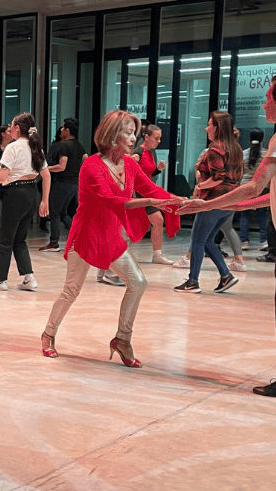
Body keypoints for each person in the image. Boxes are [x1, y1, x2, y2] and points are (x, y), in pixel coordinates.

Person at [182, 70, 276, 399]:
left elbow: (255, 185)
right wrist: (234, 206)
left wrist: (205, 205)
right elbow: (274, 194)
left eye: (268, 98)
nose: (265, 104)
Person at [42, 109, 184, 364]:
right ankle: (48, 334)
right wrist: (152, 202)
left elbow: (151, 189)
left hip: (111, 238)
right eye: (128, 133)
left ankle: (122, 340)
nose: (133, 138)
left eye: (134, 133)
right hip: (85, 237)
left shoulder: (129, 164)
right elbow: (111, 200)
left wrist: (181, 202)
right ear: (111, 135)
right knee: (71, 291)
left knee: (138, 283)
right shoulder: (91, 165)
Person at [174, 111, 243, 293]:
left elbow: (218, 177)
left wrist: (200, 186)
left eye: (209, 124)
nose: (206, 128)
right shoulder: (235, 148)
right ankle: (226, 276)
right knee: (207, 240)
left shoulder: (215, 150)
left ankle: (192, 282)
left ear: (217, 128)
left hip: (212, 202)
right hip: (229, 202)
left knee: (197, 240)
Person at [0, 112, 50, 291]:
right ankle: (29, 278)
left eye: (11, 126)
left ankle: (0, 281)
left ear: (17, 128)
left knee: (5, 239)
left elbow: (3, 175)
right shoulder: (36, 147)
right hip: (31, 193)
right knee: (20, 238)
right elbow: (46, 175)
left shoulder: (13, 147)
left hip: (15, 194)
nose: (10, 129)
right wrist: (44, 200)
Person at [134, 123, 178, 265]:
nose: (158, 141)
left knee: (156, 221)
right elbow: (132, 174)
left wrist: (157, 169)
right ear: (146, 137)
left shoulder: (150, 153)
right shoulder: (138, 153)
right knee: (154, 221)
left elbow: (147, 174)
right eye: (156, 138)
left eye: (159, 138)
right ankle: (156, 254)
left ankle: (157, 254)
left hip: (147, 191)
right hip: (139, 192)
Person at [41, 118, 86, 253]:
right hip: (74, 184)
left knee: (54, 213)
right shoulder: (79, 146)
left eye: (63, 128)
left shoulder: (64, 146)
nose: (61, 130)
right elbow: (86, 161)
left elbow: (61, 166)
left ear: (67, 130)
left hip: (62, 183)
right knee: (63, 213)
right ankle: (79, 237)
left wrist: (45, 169)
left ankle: (54, 242)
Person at [238, 127, 271, 252]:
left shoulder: (243, 154)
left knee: (244, 213)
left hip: (245, 186)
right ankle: (263, 241)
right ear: (262, 139)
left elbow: (240, 172)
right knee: (262, 213)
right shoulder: (267, 154)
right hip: (262, 186)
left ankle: (244, 241)